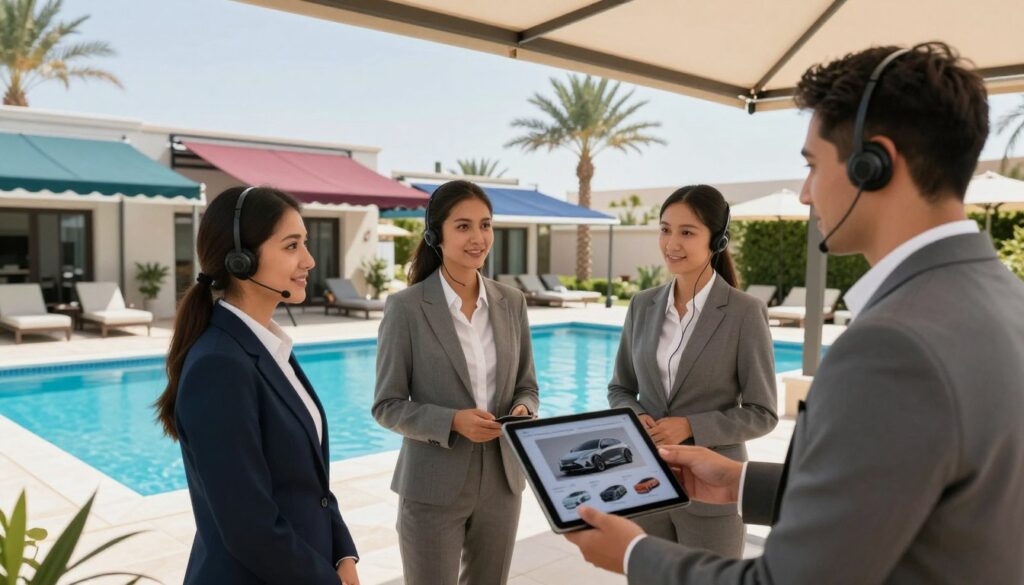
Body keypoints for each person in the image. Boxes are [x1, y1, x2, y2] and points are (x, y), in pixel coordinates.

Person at [565, 42, 1024, 584]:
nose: (807, 194)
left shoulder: (894, 345)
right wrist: (743, 483)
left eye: (812, 166)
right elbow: (897, 495)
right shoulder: (1005, 299)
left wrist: (633, 555)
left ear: (873, 165)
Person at [155, 186, 360, 585]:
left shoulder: (269, 346)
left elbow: (310, 484)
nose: (309, 260)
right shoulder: (219, 364)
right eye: (291, 246)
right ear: (241, 259)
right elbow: (248, 525)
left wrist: (343, 552)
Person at [372, 180, 540, 585]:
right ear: (436, 235)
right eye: (463, 226)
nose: (478, 238)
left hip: (502, 483)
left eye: (485, 225)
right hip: (432, 486)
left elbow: (527, 385)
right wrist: (452, 421)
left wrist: (523, 410)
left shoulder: (511, 302)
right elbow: (387, 405)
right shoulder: (406, 308)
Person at [607, 184, 777, 556]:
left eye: (687, 232)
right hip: (646, 485)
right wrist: (639, 418)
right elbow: (620, 389)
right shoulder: (642, 305)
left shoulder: (744, 312)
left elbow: (762, 413)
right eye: (666, 229)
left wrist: (689, 427)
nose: (672, 243)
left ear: (716, 241)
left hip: (713, 492)